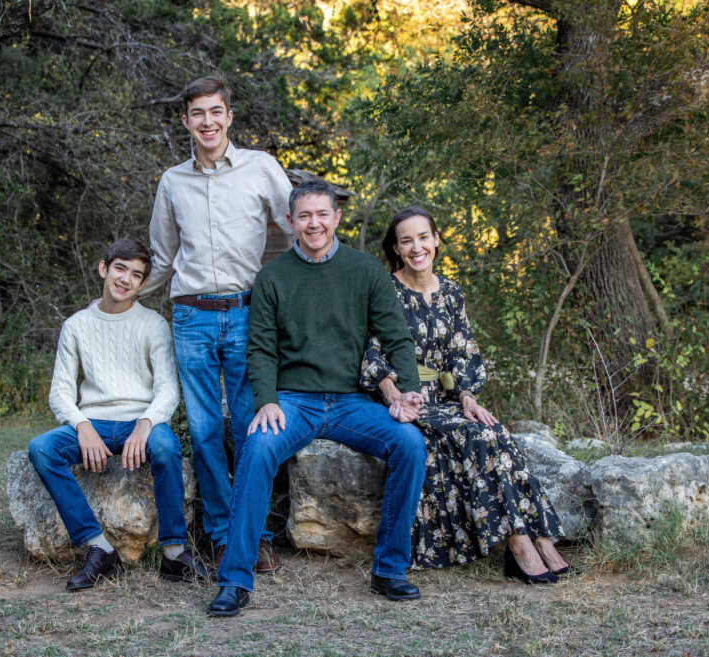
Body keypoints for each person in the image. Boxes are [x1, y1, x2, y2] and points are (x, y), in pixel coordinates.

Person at [206, 180, 429, 617]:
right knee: (257, 447)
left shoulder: (364, 271)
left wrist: (408, 389)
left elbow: (396, 336)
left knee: (410, 444)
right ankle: (234, 580)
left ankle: (389, 570)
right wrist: (267, 401)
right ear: (291, 222)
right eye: (304, 216)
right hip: (293, 401)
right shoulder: (273, 277)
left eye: (322, 214)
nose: (314, 223)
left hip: (351, 402)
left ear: (337, 217)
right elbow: (261, 349)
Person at [361, 206, 574, 584]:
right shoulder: (385, 290)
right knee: (473, 437)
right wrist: (394, 396)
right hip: (408, 399)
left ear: (437, 239)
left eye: (423, 237)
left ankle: (540, 538)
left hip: (446, 400)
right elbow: (372, 352)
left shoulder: (452, 293)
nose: (416, 247)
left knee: (495, 430)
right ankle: (520, 544)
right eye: (406, 240)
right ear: (395, 248)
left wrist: (469, 398)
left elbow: (463, 352)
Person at [139, 72, 294, 573]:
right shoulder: (172, 181)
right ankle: (224, 535)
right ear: (186, 122)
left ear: (229, 116)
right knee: (205, 432)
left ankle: (257, 533)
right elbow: (162, 258)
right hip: (191, 316)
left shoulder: (261, 168)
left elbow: (296, 232)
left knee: (255, 427)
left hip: (250, 313)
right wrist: (122, 299)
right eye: (197, 114)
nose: (207, 122)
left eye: (215, 112)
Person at [28, 239, 215, 591]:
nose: (126, 279)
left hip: (140, 422)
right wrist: (82, 426)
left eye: (136, 274)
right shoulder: (77, 325)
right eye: (120, 268)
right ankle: (99, 548)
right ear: (103, 268)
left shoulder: (153, 324)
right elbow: (61, 392)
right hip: (93, 422)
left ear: (143, 284)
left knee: (164, 446)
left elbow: (167, 389)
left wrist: (146, 423)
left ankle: (174, 553)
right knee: (42, 448)